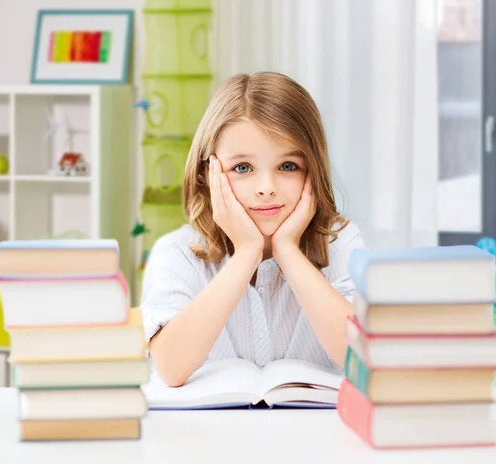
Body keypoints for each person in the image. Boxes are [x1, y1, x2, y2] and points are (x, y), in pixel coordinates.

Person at [140, 72, 364, 387]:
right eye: (242, 168)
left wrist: (288, 250)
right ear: (209, 174)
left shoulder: (341, 243)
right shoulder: (176, 253)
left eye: (288, 166)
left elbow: (362, 358)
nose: (266, 187)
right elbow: (170, 366)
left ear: (313, 170)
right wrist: (247, 252)